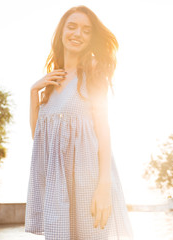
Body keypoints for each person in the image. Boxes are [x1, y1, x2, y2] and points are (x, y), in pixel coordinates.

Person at [25, 5, 134, 240]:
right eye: (72, 27)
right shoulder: (51, 81)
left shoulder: (93, 72)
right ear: (61, 32)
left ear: (91, 37)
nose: (77, 34)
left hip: (88, 181)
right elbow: (39, 138)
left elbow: (103, 131)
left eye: (86, 30)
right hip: (57, 188)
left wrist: (104, 187)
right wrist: (34, 92)